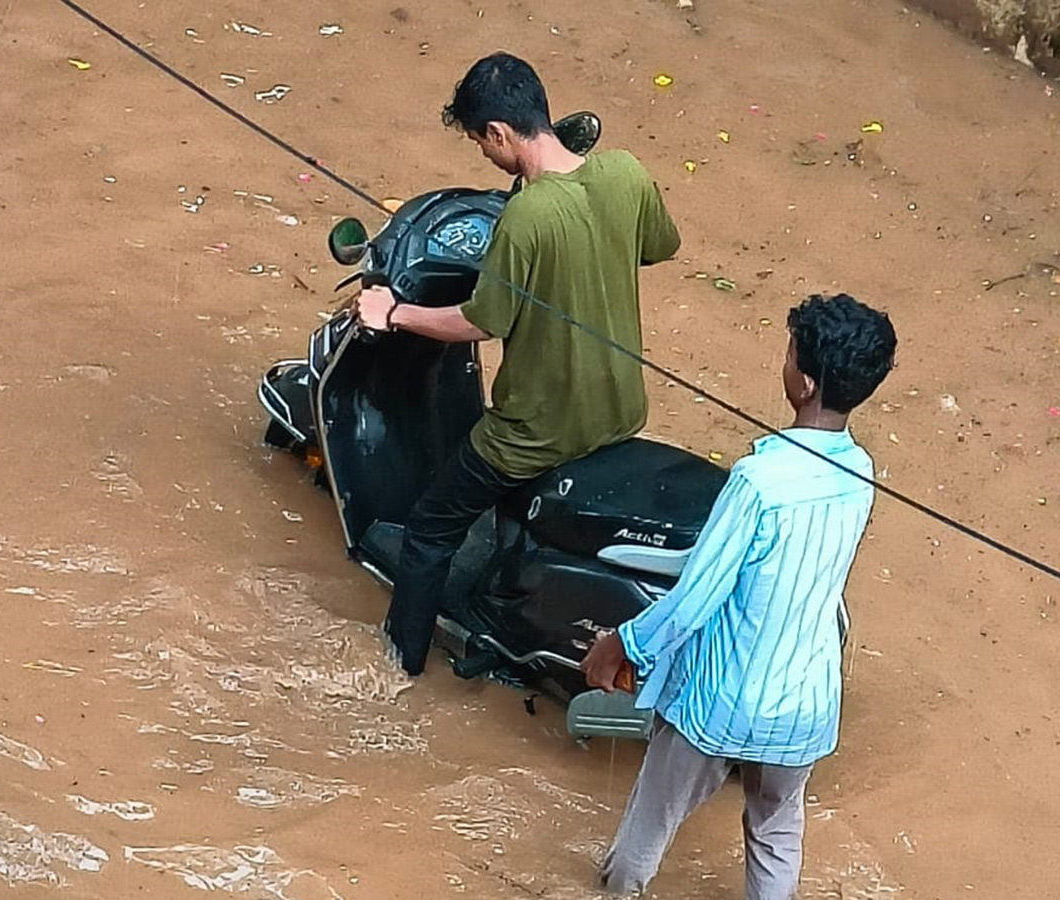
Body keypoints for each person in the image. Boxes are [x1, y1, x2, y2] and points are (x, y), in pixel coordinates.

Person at [354, 51, 682, 676]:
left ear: (500, 133)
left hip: (534, 435)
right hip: (617, 413)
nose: (485, 155)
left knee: (429, 531)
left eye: (482, 143)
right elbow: (660, 245)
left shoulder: (526, 216)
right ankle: (502, 598)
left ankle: (399, 669)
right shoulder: (624, 173)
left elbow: (478, 322)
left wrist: (393, 313)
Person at [580, 293, 898, 899]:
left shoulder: (757, 481)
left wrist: (620, 643)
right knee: (777, 832)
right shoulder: (860, 472)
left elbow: (695, 598)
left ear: (802, 381)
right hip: (805, 705)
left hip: (722, 702)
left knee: (648, 829)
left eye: (789, 353)